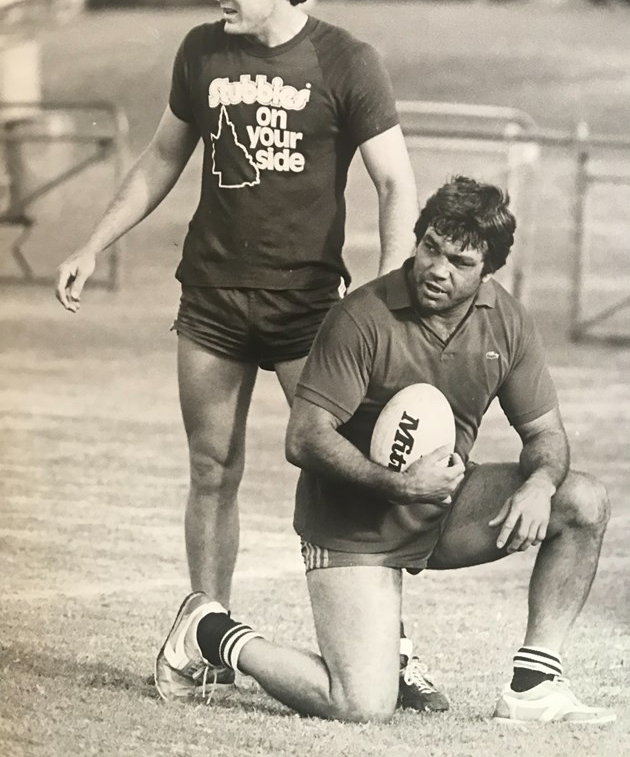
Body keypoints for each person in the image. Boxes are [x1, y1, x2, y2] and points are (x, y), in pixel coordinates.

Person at [54, 0, 443, 710]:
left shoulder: (348, 60)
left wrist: (385, 297)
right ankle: (205, 637)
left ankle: (392, 653)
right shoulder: (202, 51)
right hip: (212, 302)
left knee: (351, 475)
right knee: (212, 470)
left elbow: (396, 183)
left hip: (310, 311)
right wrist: (93, 243)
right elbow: (163, 157)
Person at [154, 176, 616, 725]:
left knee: (581, 500)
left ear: (488, 272)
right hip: (352, 525)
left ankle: (534, 685)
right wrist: (402, 485)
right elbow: (304, 437)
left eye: (460, 262)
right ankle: (208, 629)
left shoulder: (507, 322)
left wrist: (539, 484)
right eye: (431, 248)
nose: (437, 269)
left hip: (440, 507)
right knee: (360, 704)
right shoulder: (363, 317)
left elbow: (546, 435)